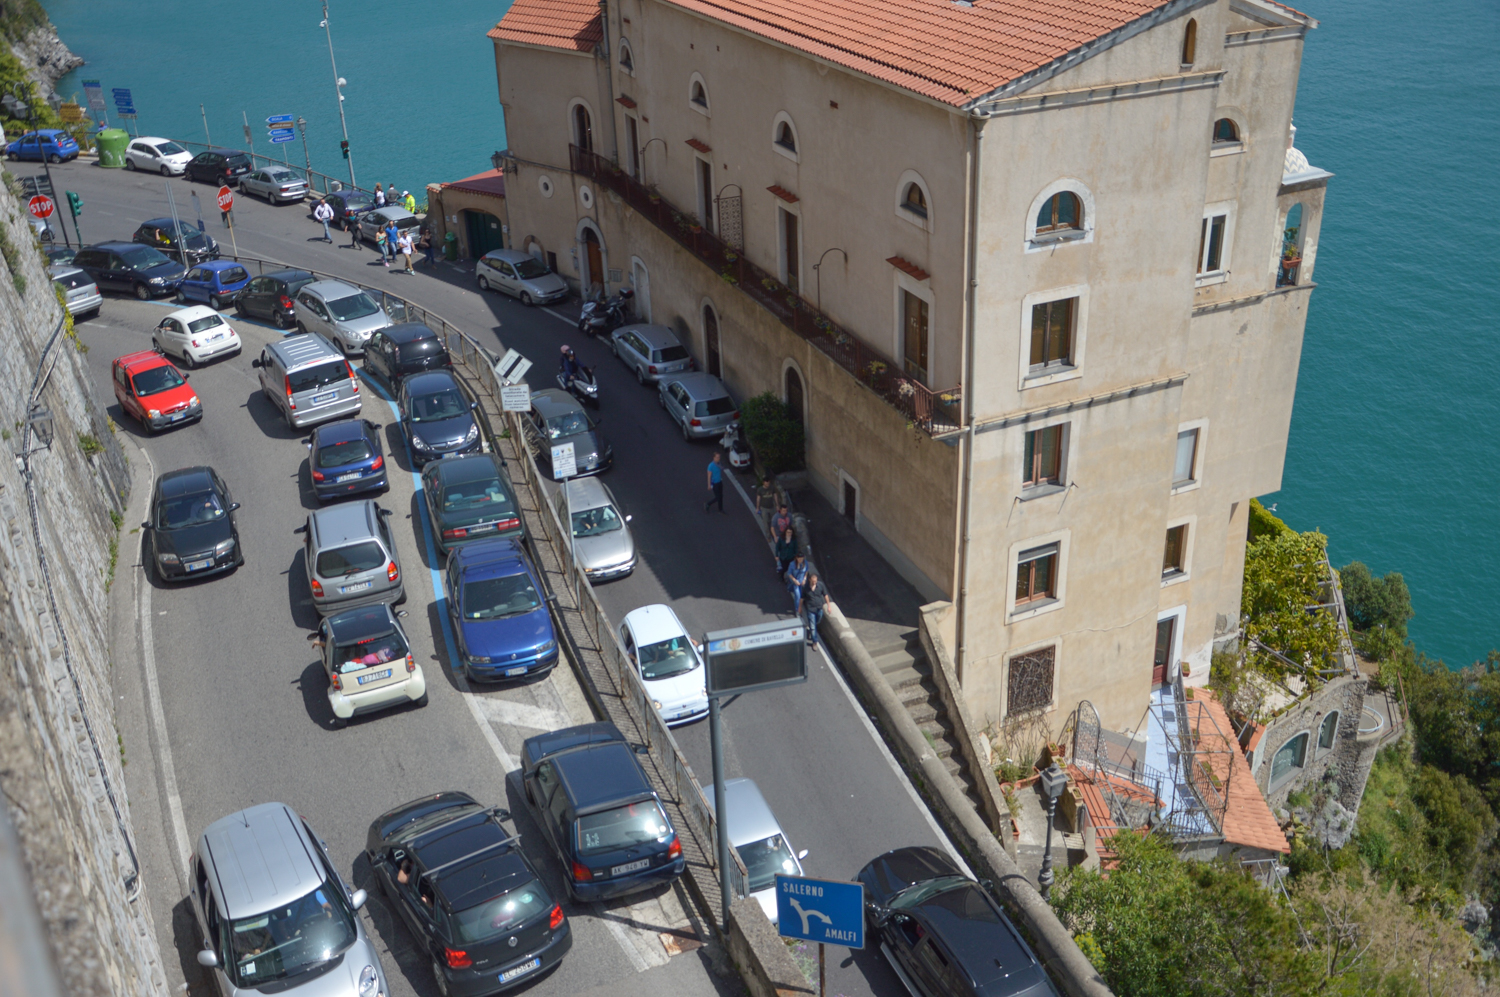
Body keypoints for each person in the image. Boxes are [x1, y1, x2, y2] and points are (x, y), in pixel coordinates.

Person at [802, 573, 833, 647]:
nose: (814, 583)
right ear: (809, 580)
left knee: (817, 621)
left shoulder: (820, 585)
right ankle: (814, 642)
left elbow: (825, 595)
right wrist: (800, 607)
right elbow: (802, 598)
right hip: (810, 609)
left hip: (819, 608)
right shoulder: (805, 588)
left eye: (815, 581)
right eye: (813, 581)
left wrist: (829, 606)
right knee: (813, 627)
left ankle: (813, 629)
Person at [755, 476, 778, 541]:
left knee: (773, 521)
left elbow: (775, 496)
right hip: (764, 508)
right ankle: (768, 536)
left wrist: (777, 505)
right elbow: (758, 499)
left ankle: (774, 535)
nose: (767, 485)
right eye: (766, 483)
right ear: (763, 483)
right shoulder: (760, 490)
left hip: (772, 507)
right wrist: (757, 508)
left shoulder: (772, 488)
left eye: (768, 483)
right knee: (765, 522)